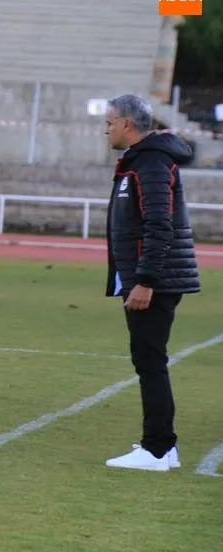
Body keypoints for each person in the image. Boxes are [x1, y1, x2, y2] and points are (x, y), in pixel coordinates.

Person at [102, 94, 200, 471]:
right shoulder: (139, 162)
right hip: (148, 277)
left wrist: (145, 281)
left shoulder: (153, 163)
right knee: (148, 358)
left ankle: (157, 449)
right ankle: (164, 447)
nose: (105, 129)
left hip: (154, 281)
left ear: (128, 124)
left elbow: (160, 224)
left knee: (150, 359)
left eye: (109, 122)